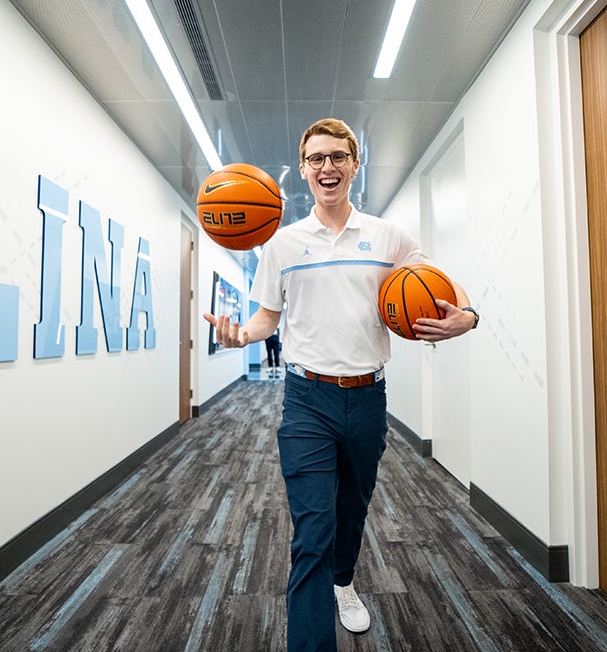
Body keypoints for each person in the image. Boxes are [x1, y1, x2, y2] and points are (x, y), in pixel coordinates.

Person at [203, 118, 477, 650]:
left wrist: (467, 313)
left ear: (354, 164)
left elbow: (439, 283)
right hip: (307, 400)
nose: (327, 167)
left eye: (337, 157)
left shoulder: (389, 236)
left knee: (351, 512)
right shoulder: (280, 245)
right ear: (303, 169)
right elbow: (267, 318)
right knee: (312, 533)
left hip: (368, 397)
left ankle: (344, 583)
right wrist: (242, 337)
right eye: (316, 159)